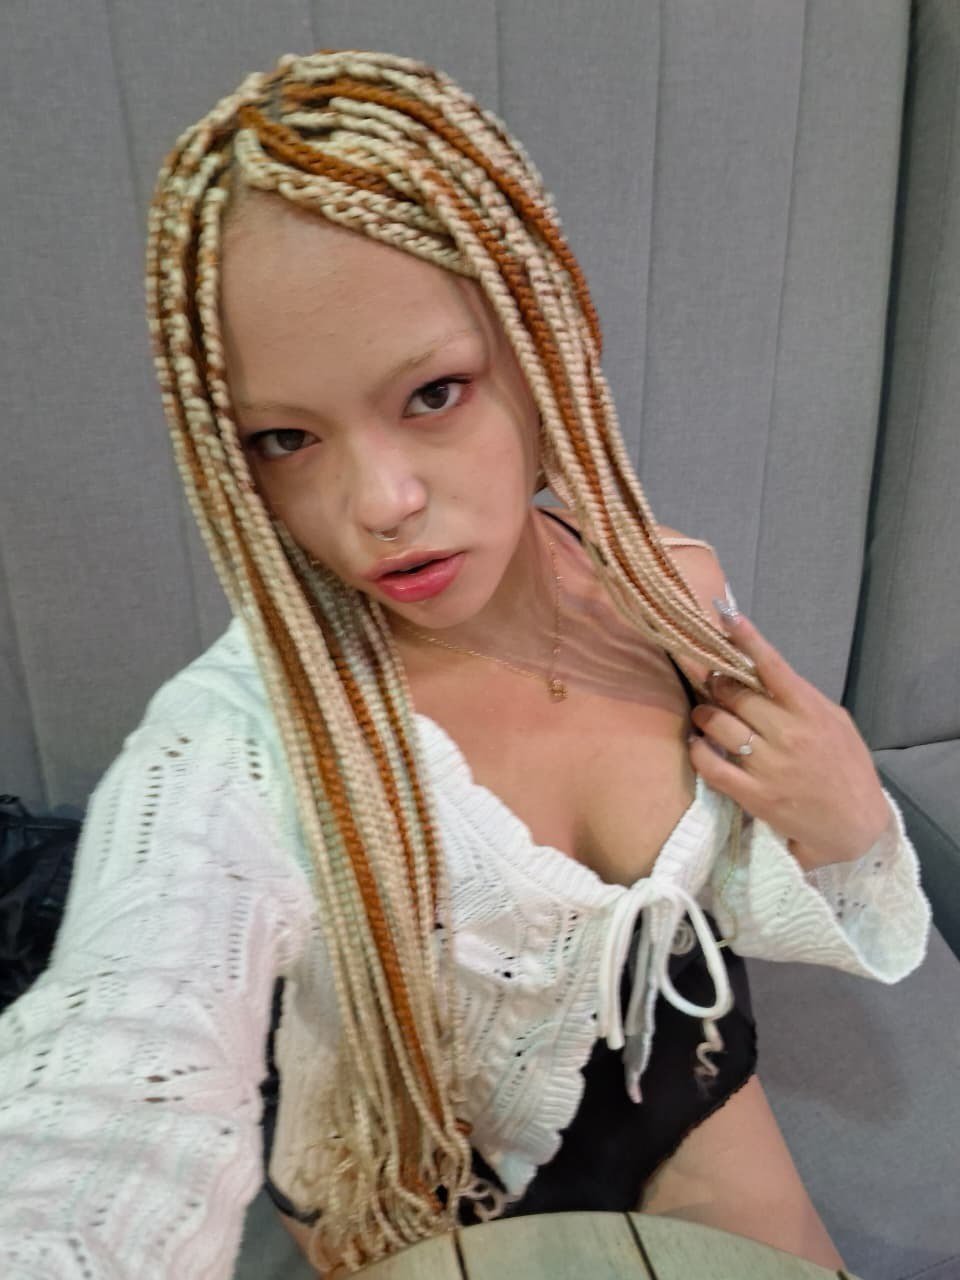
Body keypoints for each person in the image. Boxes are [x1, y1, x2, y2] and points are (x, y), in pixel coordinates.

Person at [0, 48, 931, 1279]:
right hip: (415, 1171)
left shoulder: (672, 589)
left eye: (434, 393)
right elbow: (111, 1085)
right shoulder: (242, 740)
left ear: (545, 353)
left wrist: (847, 816)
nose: (377, 501)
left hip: (681, 1071)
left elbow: (757, 883)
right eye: (284, 439)